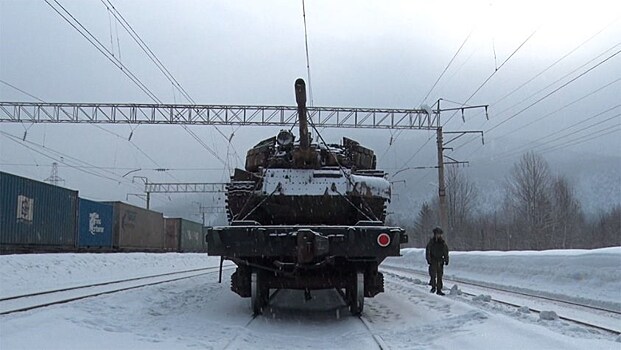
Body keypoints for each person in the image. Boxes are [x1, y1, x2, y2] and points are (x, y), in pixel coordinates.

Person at [426, 226, 449, 295]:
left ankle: (439, 289)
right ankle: (433, 287)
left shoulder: (442, 243)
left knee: (440, 275)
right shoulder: (431, 242)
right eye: (437, 234)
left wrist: (446, 259)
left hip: (440, 260)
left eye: (439, 234)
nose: (438, 235)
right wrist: (429, 259)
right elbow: (428, 251)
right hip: (433, 260)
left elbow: (445, 251)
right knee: (433, 275)